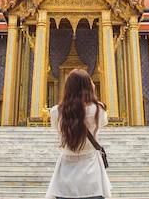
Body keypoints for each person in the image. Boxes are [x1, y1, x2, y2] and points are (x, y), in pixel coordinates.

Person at [46, 68, 111, 199]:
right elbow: (103, 122)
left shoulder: (56, 112)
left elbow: (55, 127)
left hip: (65, 178)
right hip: (92, 178)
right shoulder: (99, 110)